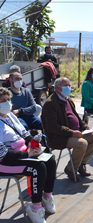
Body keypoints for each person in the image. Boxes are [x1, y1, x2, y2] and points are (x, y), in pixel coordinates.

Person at [0, 87, 57, 223]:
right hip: (5, 161)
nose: (7, 103)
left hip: (23, 153)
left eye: (8, 99)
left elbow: (24, 134)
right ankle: (35, 207)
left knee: (50, 159)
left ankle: (47, 196)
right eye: (2, 100)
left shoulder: (10, 116)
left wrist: (34, 143)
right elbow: (3, 154)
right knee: (38, 167)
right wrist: (27, 154)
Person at [41, 77, 93, 182]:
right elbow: (52, 127)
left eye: (69, 85)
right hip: (59, 137)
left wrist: (85, 126)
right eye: (66, 86)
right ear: (57, 88)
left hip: (75, 133)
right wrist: (72, 133)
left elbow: (76, 117)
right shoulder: (50, 103)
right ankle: (70, 169)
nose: (69, 88)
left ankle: (80, 164)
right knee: (82, 143)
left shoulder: (68, 100)